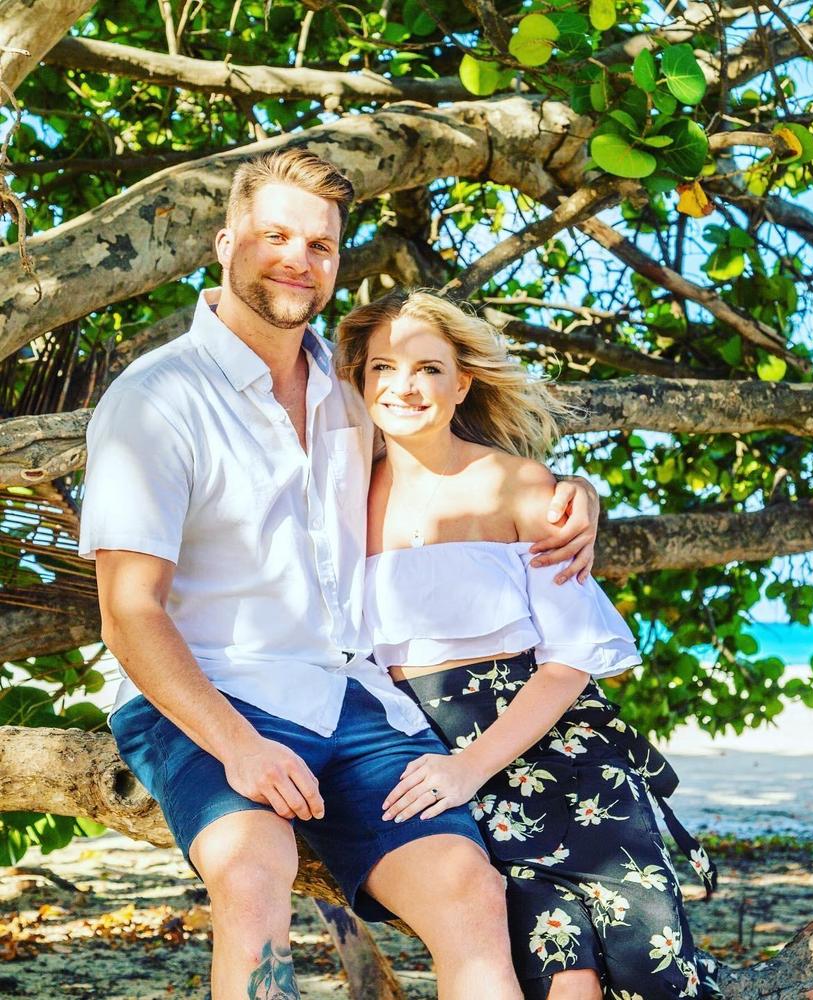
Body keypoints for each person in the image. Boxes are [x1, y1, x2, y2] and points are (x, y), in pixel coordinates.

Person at [78, 148, 600, 1000]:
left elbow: (456, 468)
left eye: (320, 245)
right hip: (210, 694)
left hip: (348, 698)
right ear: (225, 243)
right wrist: (239, 747)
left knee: (468, 889)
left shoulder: (353, 391)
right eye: (276, 236)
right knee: (252, 869)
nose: (299, 259)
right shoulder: (158, 400)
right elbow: (129, 612)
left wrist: (575, 494)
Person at [336, 290, 724, 1000]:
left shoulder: (521, 486)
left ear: (463, 383)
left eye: (428, 368)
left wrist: (471, 766)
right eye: (383, 367)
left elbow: (569, 660)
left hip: (557, 752)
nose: (403, 386)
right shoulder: (338, 501)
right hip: (426, 761)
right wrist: (454, 774)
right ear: (359, 382)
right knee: (557, 973)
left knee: (648, 968)